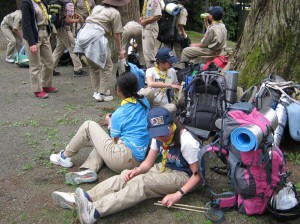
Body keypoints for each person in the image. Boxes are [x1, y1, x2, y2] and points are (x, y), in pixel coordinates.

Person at [51, 107, 201, 224]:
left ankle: (94, 211)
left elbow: (197, 175)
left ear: (172, 125)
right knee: (126, 175)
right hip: (165, 167)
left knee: (142, 184)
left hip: (184, 176)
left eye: (163, 133)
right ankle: (85, 197)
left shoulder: (187, 141)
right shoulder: (158, 135)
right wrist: (136, 170)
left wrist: (177, 194)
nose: (160, 137)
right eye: (156, 134)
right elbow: (148, 162)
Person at [50, 72, 150, 185]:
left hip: (122, 160)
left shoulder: (119, 114)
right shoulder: (144, 101)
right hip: (139, 160)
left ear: (118, 90)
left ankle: (64, 156)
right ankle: (88, 171)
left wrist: (110, 123)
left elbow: (114, 141)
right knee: (101, 142)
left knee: (89, 125)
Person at [74, 0, 129, 102]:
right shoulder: (115, 13)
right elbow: (117, 35)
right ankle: (103, 93)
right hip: (96, 37)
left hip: (83, 35)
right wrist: (120, 50)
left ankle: (96, 91)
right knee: (107, 66)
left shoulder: (97, 8)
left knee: (93, 66)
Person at [22, 0, 57, 99]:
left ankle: (46, 84)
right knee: (35, 65)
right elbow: (26, 24)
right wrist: (32, 43)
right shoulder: (27, 3)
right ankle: (37, 90)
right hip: (33, 37)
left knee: (50, 61)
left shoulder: (41, 2)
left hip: (45, 35)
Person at [140, 47, 181, 115]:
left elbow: (176, 85)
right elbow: (150, 83)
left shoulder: (172, 71)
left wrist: (179, 89)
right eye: (170, 62)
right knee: (148, 91)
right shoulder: (151, 70)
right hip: (151, 102)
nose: (172, 64)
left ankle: (161, 116)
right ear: (161, 62)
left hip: (163, 105)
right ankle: (145, 111)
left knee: (172, 107)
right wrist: (169, 85)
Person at [52, 1, 88, 77]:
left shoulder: (62, 2)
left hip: (59, 28)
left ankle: (50, 68)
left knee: (59, 48)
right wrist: (78, 20)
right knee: (73, 48)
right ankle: (77, 70)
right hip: (65, 29)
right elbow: (67, 20)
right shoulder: (69, 4)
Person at [140, 0, 162, 68]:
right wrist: (142, 18)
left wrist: (145, 21)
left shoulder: (155, 1)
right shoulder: (146, 1)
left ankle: (152, 73)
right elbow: (148, 14)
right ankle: (151, 71)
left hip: (151, 28)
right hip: (146, 28)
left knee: (149, 54)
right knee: (147, 52)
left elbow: (158, 16)